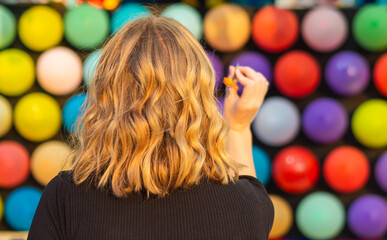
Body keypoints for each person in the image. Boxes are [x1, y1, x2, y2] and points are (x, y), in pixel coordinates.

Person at [27, 16, 273, 240]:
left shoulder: (65, 198)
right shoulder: (246, 204)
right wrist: (238, 127)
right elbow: (252, 194)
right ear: (199, 100)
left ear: (106, 97)